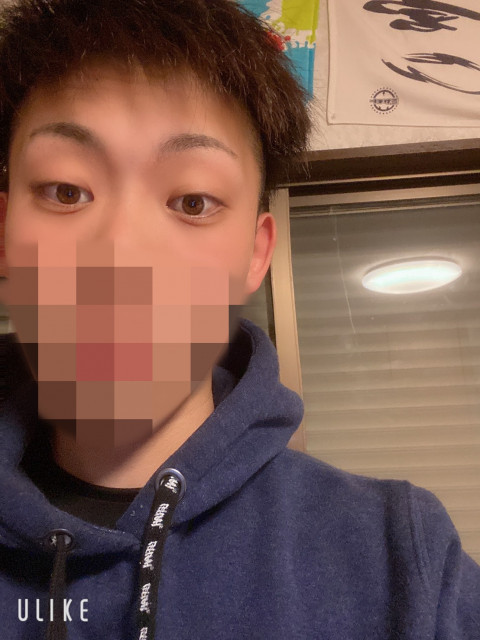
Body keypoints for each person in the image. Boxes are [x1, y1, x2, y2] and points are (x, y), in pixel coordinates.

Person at [0, 0, 478, 639]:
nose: (119, 254)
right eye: (66, 191)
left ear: (256, 255)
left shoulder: (401, 563)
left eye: (193, 201)